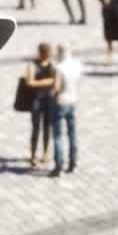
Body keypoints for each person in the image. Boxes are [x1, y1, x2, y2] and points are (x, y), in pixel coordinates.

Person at [23, 43, 57, 167]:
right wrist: (47, 82)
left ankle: (45, 153)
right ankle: (33, 154)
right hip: (36, 101)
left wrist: (39, 82)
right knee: (36, 128)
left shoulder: (52, 65)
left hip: (48, 100)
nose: (47, 56)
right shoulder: (32, 65)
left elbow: (56, 80)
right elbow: (29, 82)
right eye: (46, 53)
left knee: (47, 128)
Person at [51, 44, 82, 176]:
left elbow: (56, 87)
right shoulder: (77, 65)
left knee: (58, 135)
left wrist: (53, 95)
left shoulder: (59, 68)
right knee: (72, 134)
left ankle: (59, 165)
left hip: (61, 102)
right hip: (73, 100)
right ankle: (73, 162)